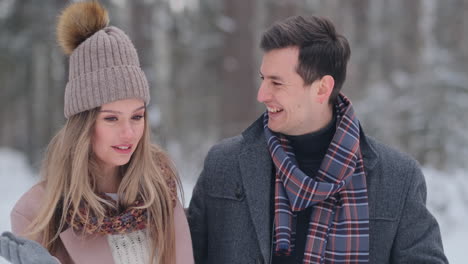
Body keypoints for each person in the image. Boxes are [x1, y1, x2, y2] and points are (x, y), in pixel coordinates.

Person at [188, 15, 448, 264]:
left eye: (276, 83)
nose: (261, 94)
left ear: (322, 88)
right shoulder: (224, 164)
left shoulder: (397, 177)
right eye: (262, 79)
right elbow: (180, 255)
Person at [0, 1, 193, 264]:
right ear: (83, 124)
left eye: (137, 116)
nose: (129, 133)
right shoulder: (36, 213)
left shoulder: (160, 191)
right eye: (112, 118)